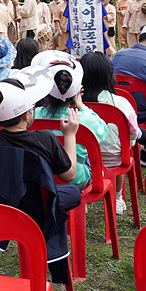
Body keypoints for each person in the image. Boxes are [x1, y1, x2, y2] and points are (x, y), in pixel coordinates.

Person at [0, 68, 82, 212]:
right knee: (73, 192)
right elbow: (69, 175)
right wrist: (70, 135)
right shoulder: (45, 139)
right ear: (27, 115)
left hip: (1, 203)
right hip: (37, 207)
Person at [30, 53, 107, 190]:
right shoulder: (86, 119)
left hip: (42, 174)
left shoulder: (34, 116)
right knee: (88, 149)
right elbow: (103, 132)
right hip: (76, 179)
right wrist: (82, 106)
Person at [80, 49, 146, 167]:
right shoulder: (121, 103)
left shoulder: (74, 103)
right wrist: (128, 144)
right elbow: (133, 132)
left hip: (83, 157)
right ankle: (118, 186)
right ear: (110, 76)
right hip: (115, 158)